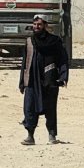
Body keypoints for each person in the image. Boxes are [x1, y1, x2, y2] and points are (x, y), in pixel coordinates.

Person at [19, 15, 70, 145]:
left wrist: (63, 76)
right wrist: (21, 82)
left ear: (45, 26)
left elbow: (63, 59)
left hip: (49, 78)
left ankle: (52, 136)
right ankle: (30, 136)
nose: (37, 27)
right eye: (35, 24)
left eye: (40, 25)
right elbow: (25, 62)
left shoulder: (54, 41)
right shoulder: (30, 41)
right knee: (29, 107)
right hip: (31, 80)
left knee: (50, 108)